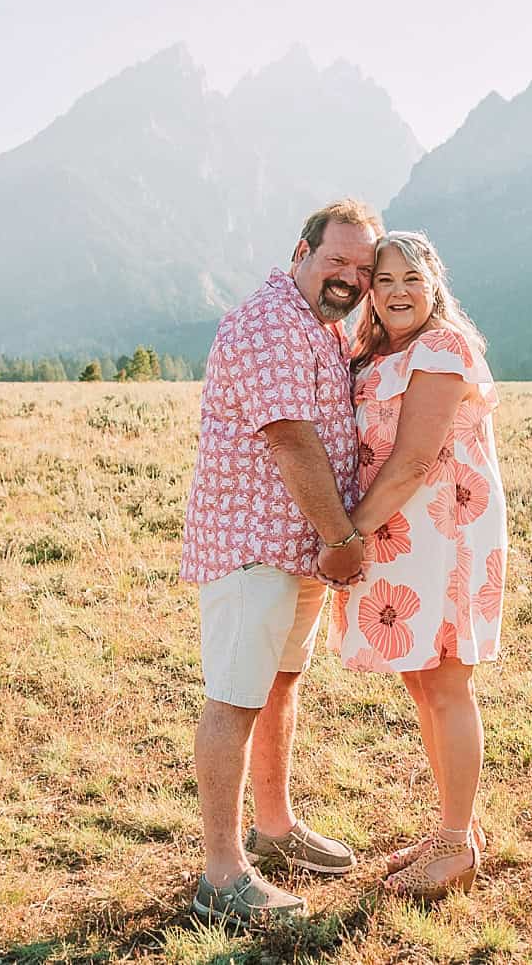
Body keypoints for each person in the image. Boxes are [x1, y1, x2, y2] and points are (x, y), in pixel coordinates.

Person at [181, 199, 382, 927]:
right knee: (234, 696)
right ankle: (222, 873)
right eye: (338, 262)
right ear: (302, 250)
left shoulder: (323, 326)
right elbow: (292, 440)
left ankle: (275, 825)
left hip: (295, 546)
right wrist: (341, 539)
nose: (351, 279)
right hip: (253, 542)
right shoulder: (270, 321)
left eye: (363, 268)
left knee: (280, 683)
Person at [330, 230, 507, 900]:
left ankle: (455, 844)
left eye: (412, 278)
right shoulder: (378, 350)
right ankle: (451, 827)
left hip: (446, 526)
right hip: (401, 530)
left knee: (446, 683)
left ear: (435, 284)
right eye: (385, 279)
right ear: (370, 291)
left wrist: (348, 534)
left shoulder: (441, 346)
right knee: (421, 678)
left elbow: (412, 459)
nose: (398, 290)